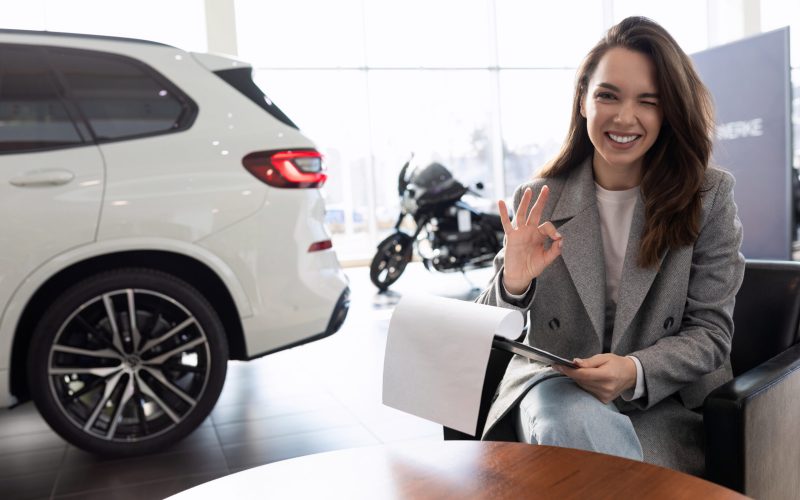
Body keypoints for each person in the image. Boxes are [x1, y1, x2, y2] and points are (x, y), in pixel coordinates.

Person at [476, 16, 745, 475]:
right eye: (608, 95)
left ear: (669, 112)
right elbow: (485, 328)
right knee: (567, 415)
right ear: (583, 100)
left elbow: (711, 334)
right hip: (552, 391)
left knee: (578, 459)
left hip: (660, 403)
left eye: (648, 101)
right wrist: (515, 281)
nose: (624, 117)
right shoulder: (539, 198)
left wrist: (634, 370)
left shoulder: (707, 197)